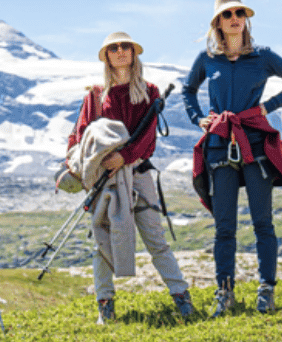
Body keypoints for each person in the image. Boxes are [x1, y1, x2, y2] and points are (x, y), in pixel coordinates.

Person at [182, 0, 282, 316]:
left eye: (239, 13)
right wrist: (198, 118)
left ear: (245, 20)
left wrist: (269, 106)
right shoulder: (207, 59)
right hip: (219, 144)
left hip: (255, 142)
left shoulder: (263, 56)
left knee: (262, 222)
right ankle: (224, 293)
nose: (235, 18)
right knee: (224, 226)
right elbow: (188, 90)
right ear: (218, 22)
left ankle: (266, 290)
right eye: (227, 14)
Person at [66, 32, 194, 324]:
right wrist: (77, 165)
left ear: (134, 53)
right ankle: (105, 304)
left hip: (138, 172)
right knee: (102, 240)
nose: (121, 51)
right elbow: (81, 136)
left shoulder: (149, 92)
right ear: (107, 56)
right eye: (114, 48)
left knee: (155, 238)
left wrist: (124, 157)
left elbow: (148, 137)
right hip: (106, 178)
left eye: (126, 47)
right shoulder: (95, 96)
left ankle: (181, 296)